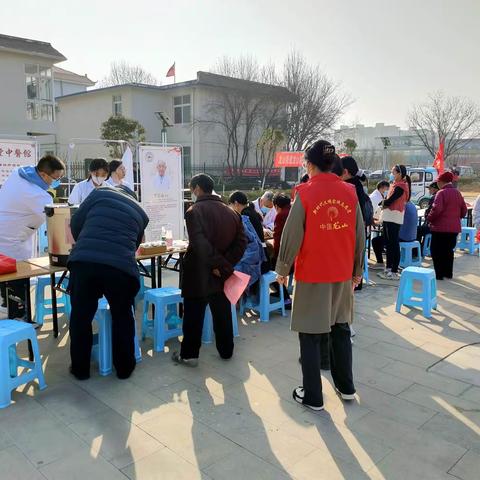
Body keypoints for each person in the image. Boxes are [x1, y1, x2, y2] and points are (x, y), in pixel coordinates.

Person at [275, 140, 365, 411]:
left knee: (310, 333)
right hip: (341, 273)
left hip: (313, 273)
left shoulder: (306, 191)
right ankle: (346, 387)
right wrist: (357, 270)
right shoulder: (349, 191)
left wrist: (282, 268)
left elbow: (292, 233)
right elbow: (359, 234)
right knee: (340, 328)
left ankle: (313, 396)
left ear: (310, 164)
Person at [67, 184, 149, 380]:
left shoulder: (100, 193)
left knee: (81, 316)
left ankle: (80, 369)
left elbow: (76, 222)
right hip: (119, 267)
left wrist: (88, 242)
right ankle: (124, 368)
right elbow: (135, 244)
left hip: (85, 261)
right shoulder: (141, 212)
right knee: (122, 316)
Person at [172, 174, 247, 366]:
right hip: (220, 276)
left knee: (193, 316)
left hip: (198, 273)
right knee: (222, 314)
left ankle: (189, 355)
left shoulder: (193, 211)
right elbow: (241, 244)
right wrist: (224, 267)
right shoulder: (232, 213)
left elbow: (200, 245)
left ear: (197, 188)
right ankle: (226, 351)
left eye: (191, 188)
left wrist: (217, 266)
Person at [0, 154, 65, 317]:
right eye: (56, 178)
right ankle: (16, 316)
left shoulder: (20, 173)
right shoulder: (35, 194)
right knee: (15, 279)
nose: (57, 182)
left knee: (13, 277)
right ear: (43, 175)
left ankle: (15, 310)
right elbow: (57, 218)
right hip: (11, 239)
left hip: (13, 232)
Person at [427, 171, 467, 280]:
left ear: (440, 181)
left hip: (440, 228)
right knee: (449, 251)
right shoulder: (458, 193)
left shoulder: (441, 193)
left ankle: (439, 275)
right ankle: (448, 273)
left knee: (436, 251)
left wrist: (429, 218)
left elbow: (436, 210)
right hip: (454, 229)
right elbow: (464, 210)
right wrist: (456, 218)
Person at [228, 192, 266, 287]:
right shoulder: (252, 212)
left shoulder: (244, 216)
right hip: (263, 256)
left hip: (257, 261)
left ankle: (241, 299)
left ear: (236, 203)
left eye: (230, 204)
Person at [378, 164, 409, 280]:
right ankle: (388, 268)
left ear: (399, 174)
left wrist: (382, 203)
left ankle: (394, 270)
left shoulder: (401, 186)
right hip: (388, 216)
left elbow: (390, 201)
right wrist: (383, 203)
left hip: (394, 217)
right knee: (389, 242)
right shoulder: (395, 185)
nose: (392, 174)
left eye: (393, 172)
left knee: (393, 243)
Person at [417, 182, 440, 249]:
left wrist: (427, 216)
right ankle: (423, 247)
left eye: (430, 189)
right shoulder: (439, 196)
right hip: (437, 225)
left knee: (417, 230)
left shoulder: (435, 197)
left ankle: (417, 250)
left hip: (433, 226)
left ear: (435, 189)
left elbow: (430, 212)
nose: (429, 191)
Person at [399, 176, 418, 242]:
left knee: (376, 241)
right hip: (412, 236)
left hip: (403, 237)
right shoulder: (411, 204)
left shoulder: (403, 205)